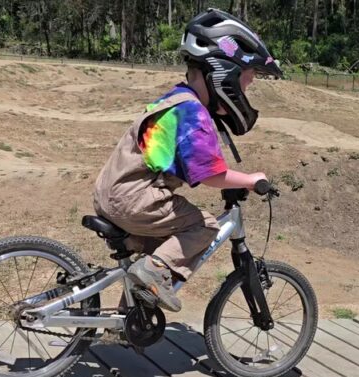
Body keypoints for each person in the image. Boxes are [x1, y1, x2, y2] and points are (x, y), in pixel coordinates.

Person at [92, 9, 283, 313]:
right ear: (224, 75)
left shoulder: (175, 100)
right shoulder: (193, 113)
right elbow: (210, 174)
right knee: (204, 226)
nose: (245, 91)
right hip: (134, 200)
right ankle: (153, 273)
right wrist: (250, 179)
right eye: (246, 82)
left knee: (168, 242)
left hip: (111, 193)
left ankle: (129, 313)